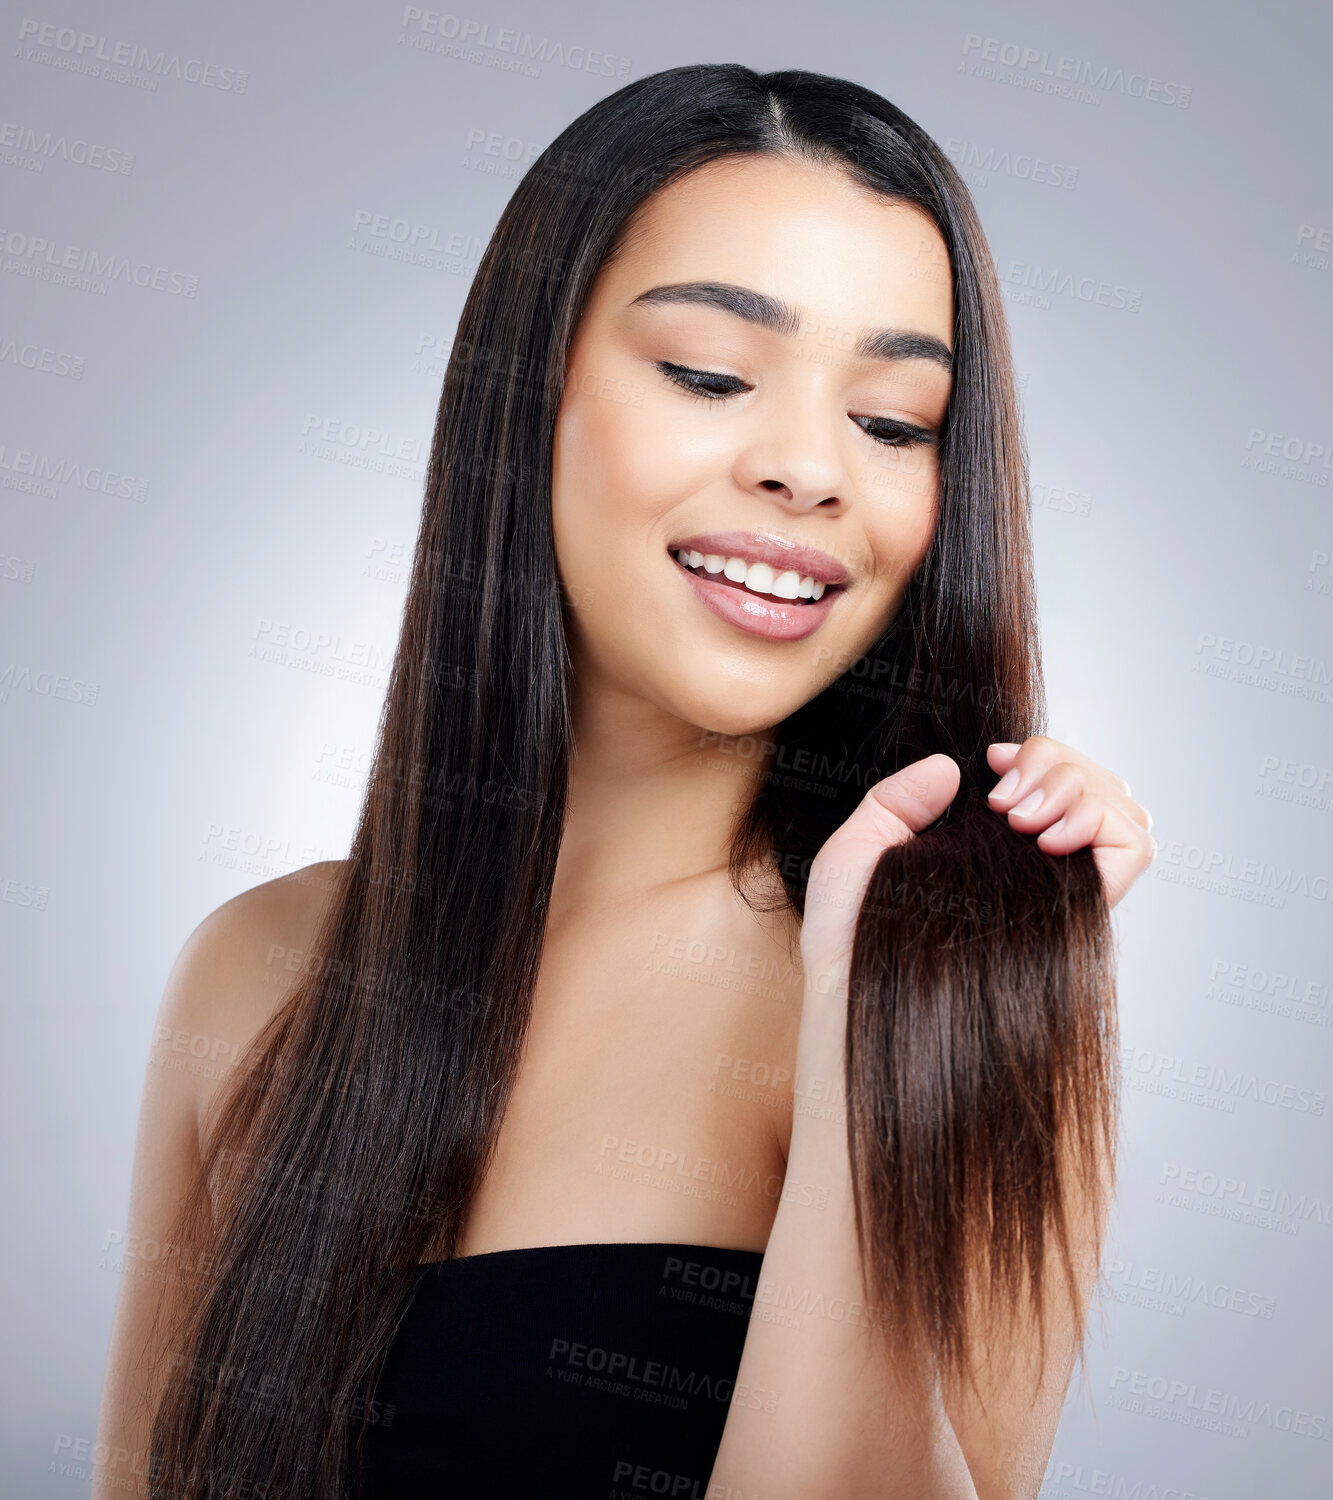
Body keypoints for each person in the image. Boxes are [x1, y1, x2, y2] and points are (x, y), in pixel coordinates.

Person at [93, 63, 1153, 1499]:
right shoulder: (253, 974)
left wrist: (881, 991)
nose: (806, 469)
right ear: (524, 396)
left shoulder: (960, 993)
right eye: (710, 376)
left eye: (894, 421)